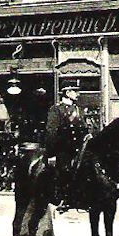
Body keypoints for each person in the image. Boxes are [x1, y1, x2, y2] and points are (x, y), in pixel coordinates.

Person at [45, 81, 84, 212]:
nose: (78, 94)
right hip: (62, 150)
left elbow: (83, 129)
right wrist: (51, 154)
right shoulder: (56, 110)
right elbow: (51, 133)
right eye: (75, 91)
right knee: (64, 170)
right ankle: (63, 199)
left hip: (78, 149)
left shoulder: (78, 110)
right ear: (67, 93)